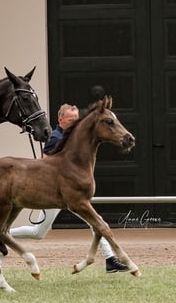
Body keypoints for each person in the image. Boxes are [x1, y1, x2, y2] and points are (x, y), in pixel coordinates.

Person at [9, 103, 130, 273]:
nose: (75, 122)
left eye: (77, 119)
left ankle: (110, 259)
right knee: (38, 232)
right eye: (71, 119)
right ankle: (4, 234)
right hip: (53, 193)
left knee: (95, 222)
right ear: (60, 119)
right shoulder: (56, 137)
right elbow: (44, 163)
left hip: (71, 193)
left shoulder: (76, 137)